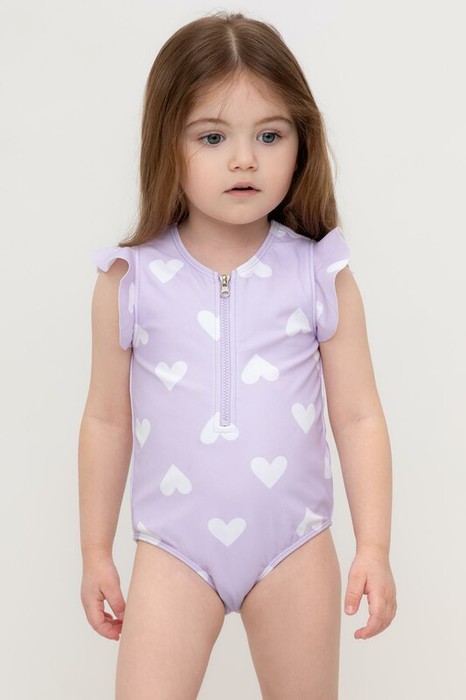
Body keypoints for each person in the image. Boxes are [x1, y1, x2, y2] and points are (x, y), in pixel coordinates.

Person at [78, 10, 397, 699]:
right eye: (213, 136)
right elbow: (105, 420)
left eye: (270, 135)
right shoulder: (130, 280)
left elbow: (358, 417)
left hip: (294, 548)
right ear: (167, 143)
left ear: (301, 143)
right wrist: (95, 551)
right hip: (173, 552)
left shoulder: (320, 273)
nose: (244, 158)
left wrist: (373, 546)